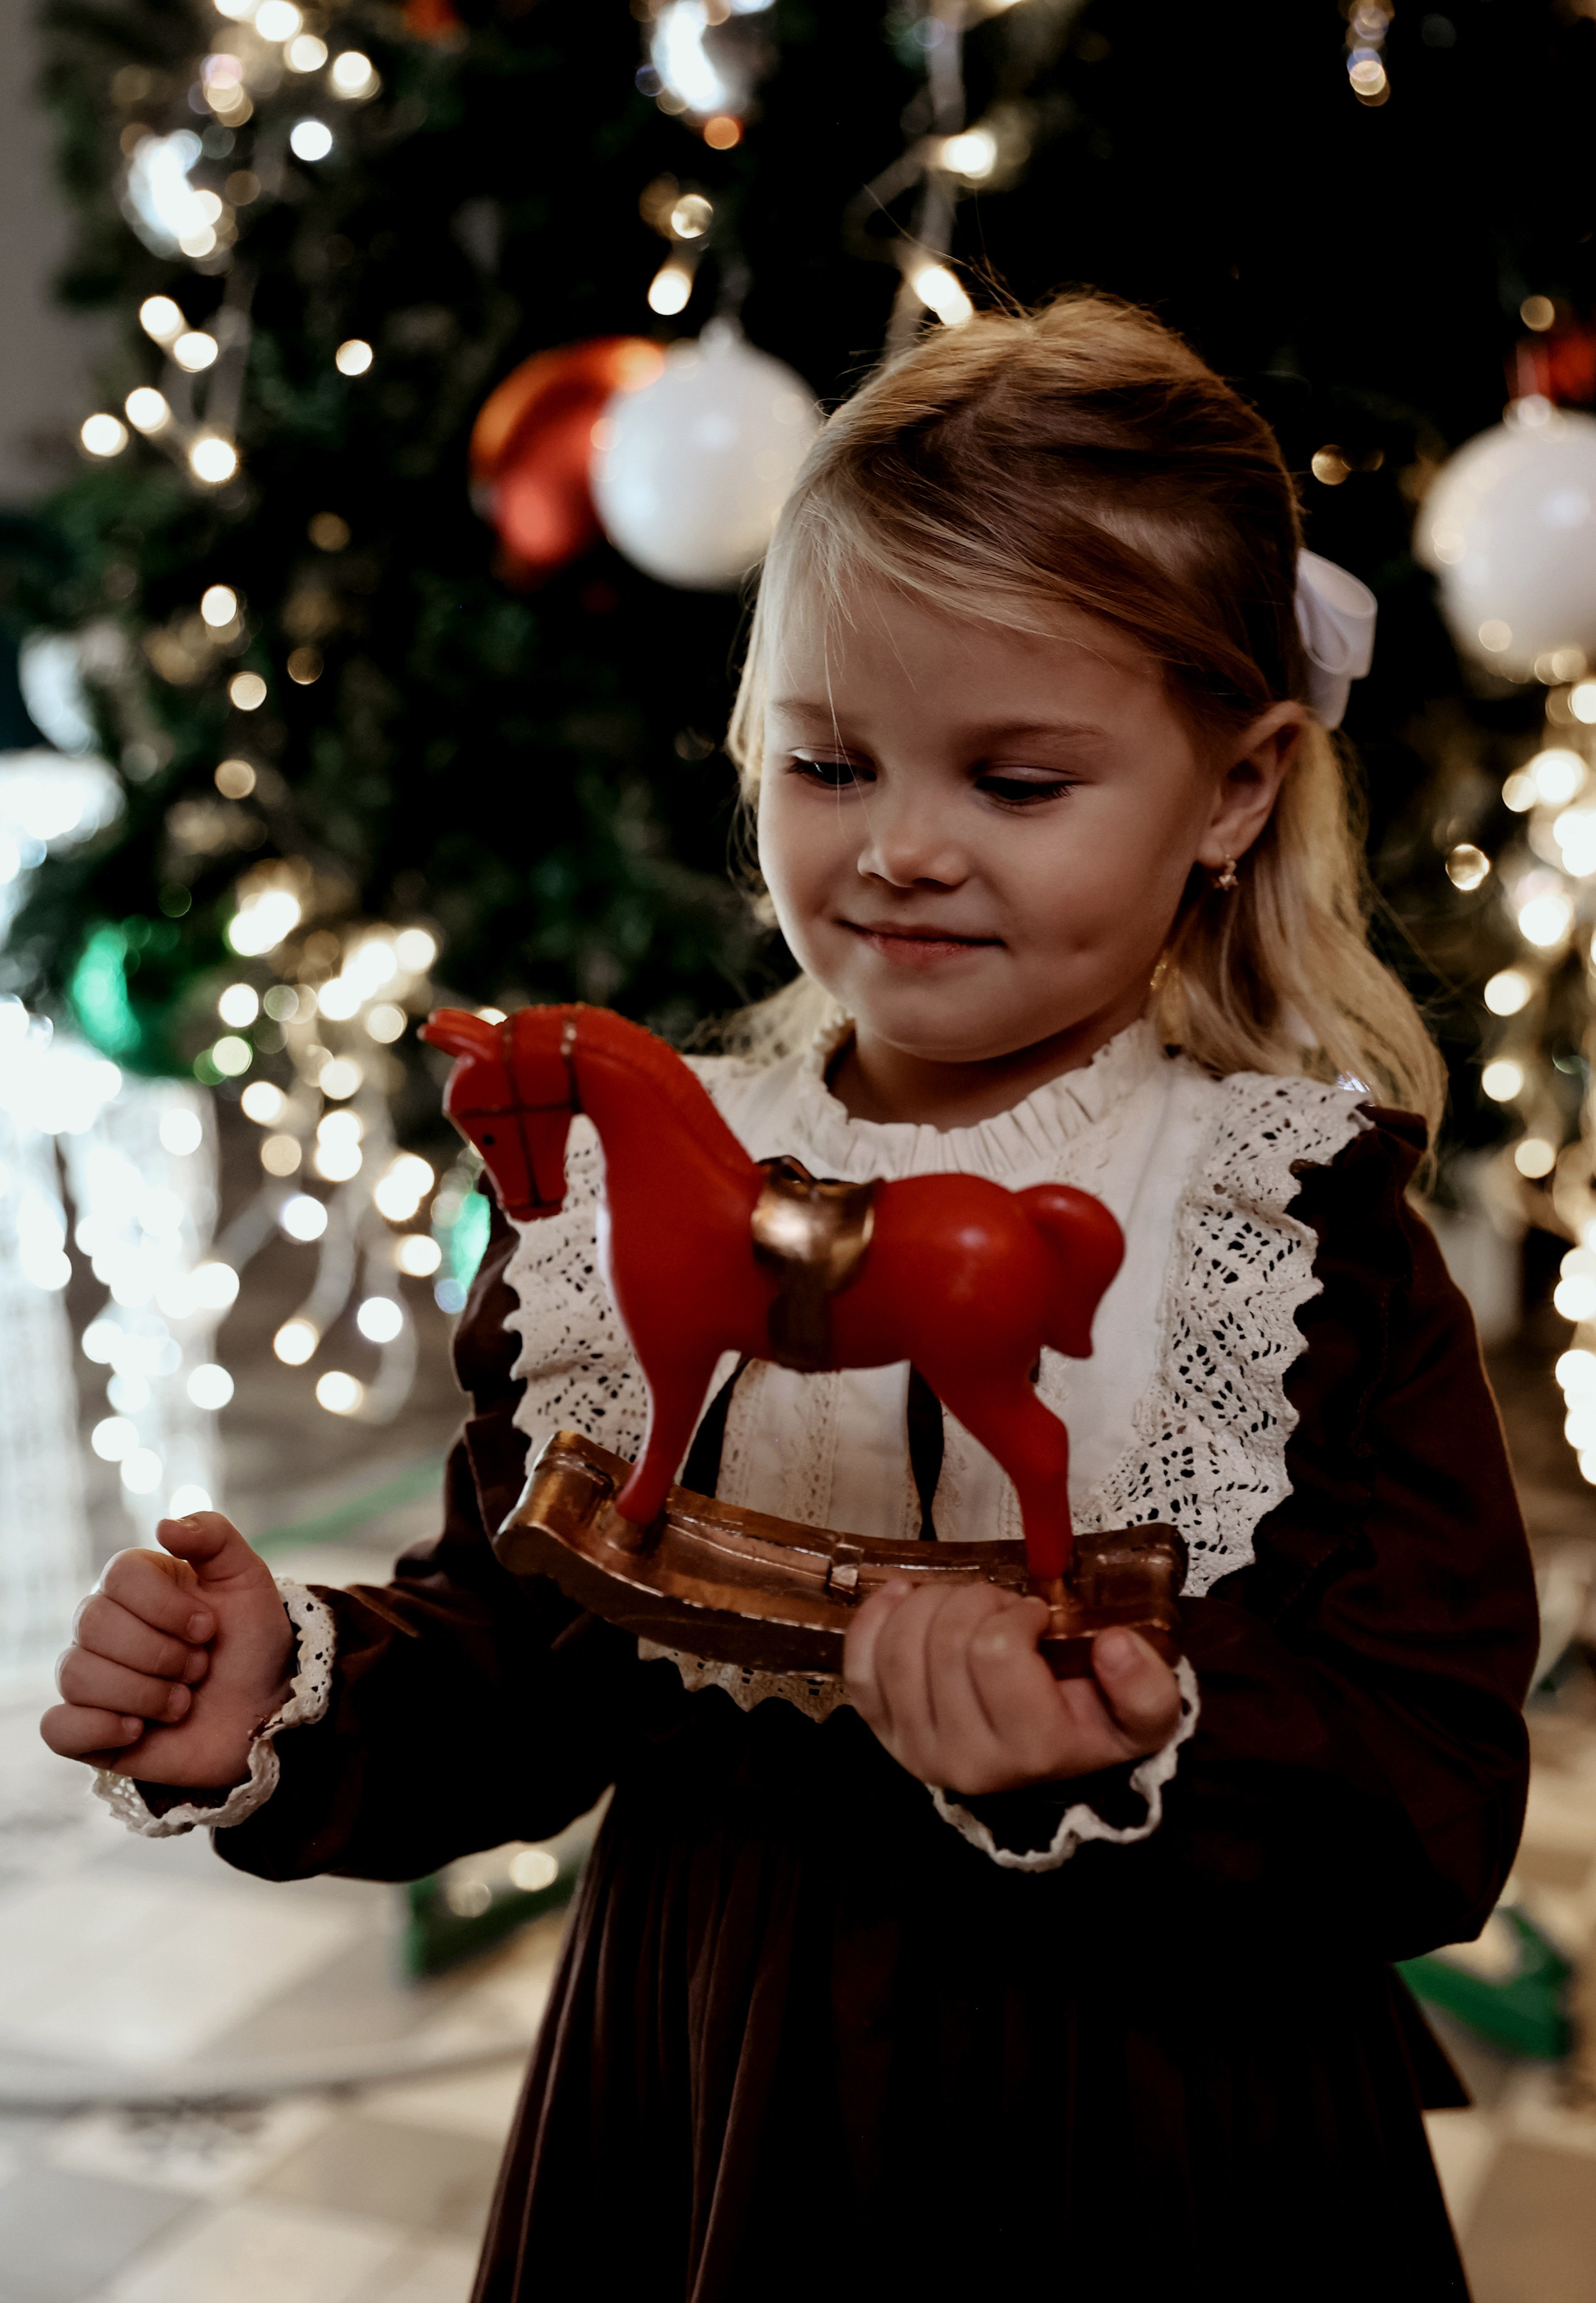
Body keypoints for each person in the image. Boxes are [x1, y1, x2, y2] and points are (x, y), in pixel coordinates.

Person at [42, 295, 1537, 2301]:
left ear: (1239, 790)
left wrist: (1141, 1737)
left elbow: (1431, 1785)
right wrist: (294, 1697)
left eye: (1018, 785)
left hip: (1153, 2121)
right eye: (832, 763)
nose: (903, 851)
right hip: (714, 2085)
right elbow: (528, 1646)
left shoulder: (1288, 1228)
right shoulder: (620, 1201)